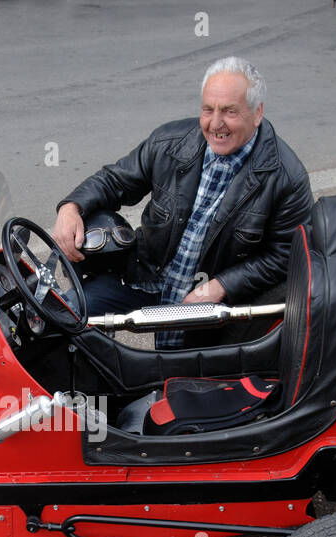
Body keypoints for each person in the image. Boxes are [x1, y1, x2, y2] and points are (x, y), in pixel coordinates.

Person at [52, 56, 313, 349]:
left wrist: (221, 286)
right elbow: (115, 180)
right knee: (62, 314)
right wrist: (71, 207)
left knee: (174, 381)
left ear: (257, 112)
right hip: (146, 277)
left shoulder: (287, 177)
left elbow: (286, 255)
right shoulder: (169, 142)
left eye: (229, 111)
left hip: (211, 304)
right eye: (208, 109)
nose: (216, 124)